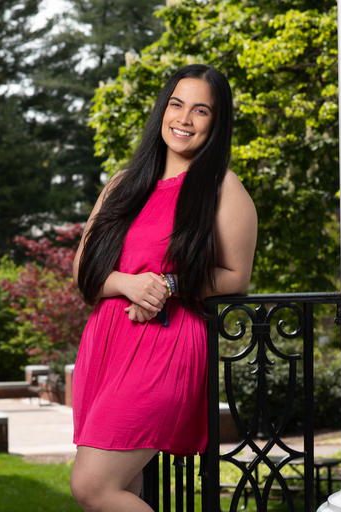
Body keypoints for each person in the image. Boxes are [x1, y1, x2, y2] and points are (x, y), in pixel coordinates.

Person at [68, 64, 257, 511]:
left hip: (165, 345)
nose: (184, 119)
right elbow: (84, 269)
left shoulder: (222, 188)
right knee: (122, 489)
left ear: (217, 121)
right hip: (107, 344)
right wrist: (129, 284)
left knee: (93, 486)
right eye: (176, 104)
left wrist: (167, 285)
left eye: (201, 110)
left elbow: (236, 275)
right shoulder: (121, 185)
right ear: (162, 110)